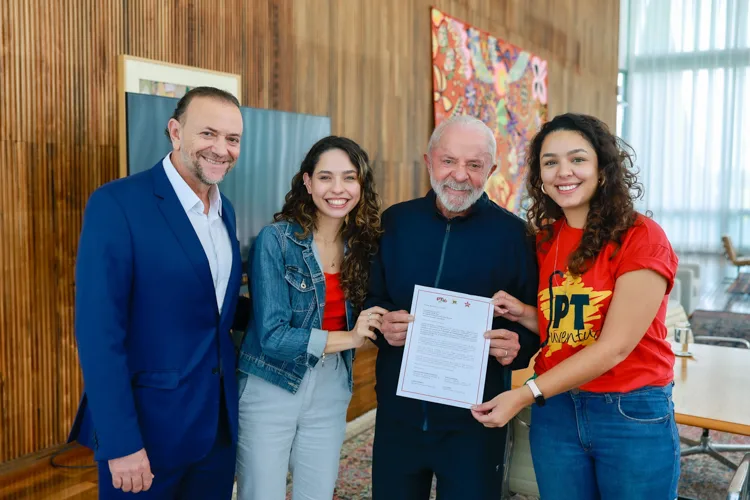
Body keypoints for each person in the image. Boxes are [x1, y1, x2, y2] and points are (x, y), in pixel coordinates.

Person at [472, 113, 680, 499]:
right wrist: (526, 314)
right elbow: (570, 328)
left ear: (603, 168)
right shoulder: (546, 240)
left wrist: (524, 394)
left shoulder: (642, 237)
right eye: (550, 162)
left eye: (578, 159)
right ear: (540, 177)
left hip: (629, 409)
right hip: (557, 409)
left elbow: (614, 346)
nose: (563, 171)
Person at [68, 87, 245, 498]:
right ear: (176, 132)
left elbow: (212, 311)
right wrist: (121, 443)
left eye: (232, 139)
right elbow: (99, 335)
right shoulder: (116, 204)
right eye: (208, 134)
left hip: (216, 431)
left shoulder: (226, 211)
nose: (221, 149)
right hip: (146, 436)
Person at [365, 115, 540, 500]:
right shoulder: (396, 222)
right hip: (399, 415)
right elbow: (372, 300)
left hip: (475, 421)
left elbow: (531, 321)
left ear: (490, 171)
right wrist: (384, 325)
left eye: (474, 165)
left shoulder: (515, 236)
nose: (460, 175)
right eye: (448, 161)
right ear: (428, 161)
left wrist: (517, 346)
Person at [235, 136, 387, 500]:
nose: (338, 189)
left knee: (317, 493)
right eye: (325, 177)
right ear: (307, 182)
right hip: (271, 381)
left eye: (349, 178)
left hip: (332, 383)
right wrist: (351, 338)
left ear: (361, 184)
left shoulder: (364, 246)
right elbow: (273, 337)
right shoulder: (276, 240)